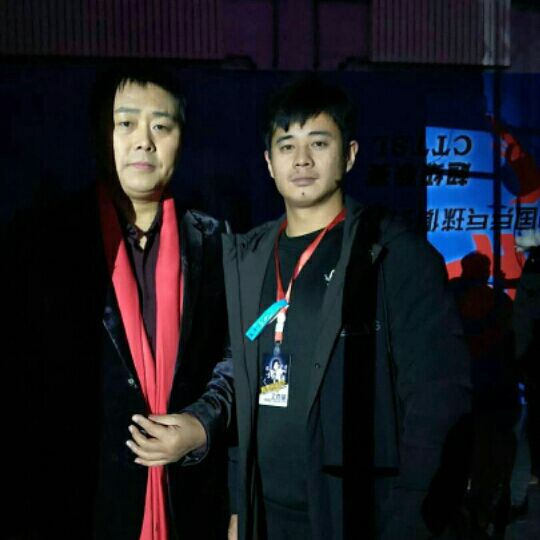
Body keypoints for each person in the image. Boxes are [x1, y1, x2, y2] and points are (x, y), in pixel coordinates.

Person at [220, 76, 471, 540]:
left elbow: (438, 398)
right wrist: (239, 505)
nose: (302, 159)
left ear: (350, 154)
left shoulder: (392, 255)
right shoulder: (248, 257)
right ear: (269, 163)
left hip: (354, 513)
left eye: (319, 143)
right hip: (265, 513)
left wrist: (410, 518)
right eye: (287, 145)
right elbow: (240, 389)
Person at [7, 66, 232, 539]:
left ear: (181, 139)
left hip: (188, 502)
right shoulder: (42, 242)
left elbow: (237, 356)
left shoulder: (216, 243)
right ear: (99, 135)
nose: (143, 142)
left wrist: (202, 423)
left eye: (161, 126)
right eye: (126, 123)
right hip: (73, 500)